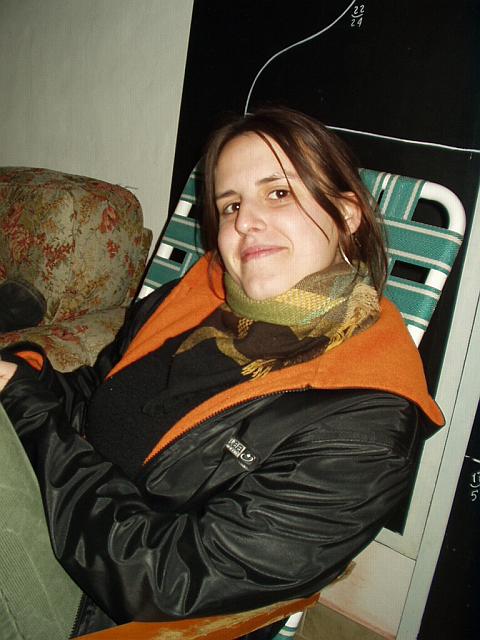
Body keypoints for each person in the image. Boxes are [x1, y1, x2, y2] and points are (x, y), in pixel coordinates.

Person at [0, 106, 444, 638]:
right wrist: (25, 372)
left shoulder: (365, 422)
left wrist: (31, 415)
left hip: (102, 613)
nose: (244, 222)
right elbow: (99, 392)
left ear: (347, 216)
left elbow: (168, 581)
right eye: (230, 204)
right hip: (55, 507)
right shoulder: (198, 297)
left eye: (278, 193)